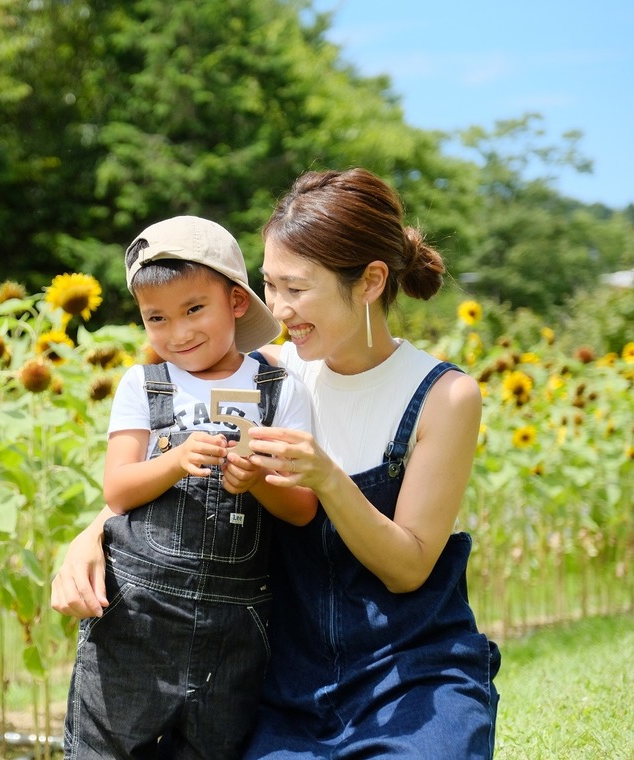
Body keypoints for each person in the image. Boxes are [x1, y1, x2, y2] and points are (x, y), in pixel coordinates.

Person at [53, 170, 500, 759]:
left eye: (296, 288)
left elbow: (409, 569)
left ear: (369, 281)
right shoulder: (266, 375)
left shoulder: (445, 395)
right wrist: (90, 536)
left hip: (410, 669)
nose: (277, 309)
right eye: (269, 285)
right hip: (284, 673)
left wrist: (326, 479)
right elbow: (175, 462)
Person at [63, 216, 318, 759]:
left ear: (236, 302)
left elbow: (301, 509)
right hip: (135, 613)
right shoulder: (142, 384)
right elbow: (119, 490)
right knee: (103, 748)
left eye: (194, 309)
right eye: (157, 317)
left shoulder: (280, 389)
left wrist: (257, 482)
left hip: (236, 626)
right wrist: (176, 461)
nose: (178, 333)